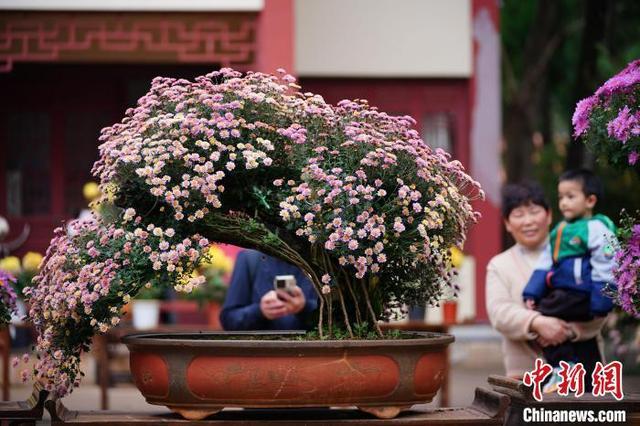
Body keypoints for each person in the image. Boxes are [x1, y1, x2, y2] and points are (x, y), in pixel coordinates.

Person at [486, 181, 606, 380]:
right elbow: (500, 313)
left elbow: (602, 298)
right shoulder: (499, 265)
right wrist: (537, 322)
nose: (528, 221)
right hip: (527, 376)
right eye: (518, 215)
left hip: (586, 370)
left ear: (549, 215)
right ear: (507, 223)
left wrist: (566, 331)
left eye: (534, 211)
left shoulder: (580, 253)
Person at [522, 170, 616, 389]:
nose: (564, 203)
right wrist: (533, 290)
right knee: (543, 319)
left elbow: (607, 262)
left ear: (590, 200)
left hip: (583, 293)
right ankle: (573, 372)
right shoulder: (561, 229)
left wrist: (602, 299)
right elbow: (547, 260)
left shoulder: (597, 227)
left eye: (570, 196)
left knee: (546, 315)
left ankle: (565, 369)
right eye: (561, 197)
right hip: (565, 293)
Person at [220, 249, 318, 331]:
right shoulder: (250, 258)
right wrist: (260, 311)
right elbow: (229, 320)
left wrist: (304, 307)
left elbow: (332, 320)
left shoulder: (319, 260)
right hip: (261, 351)